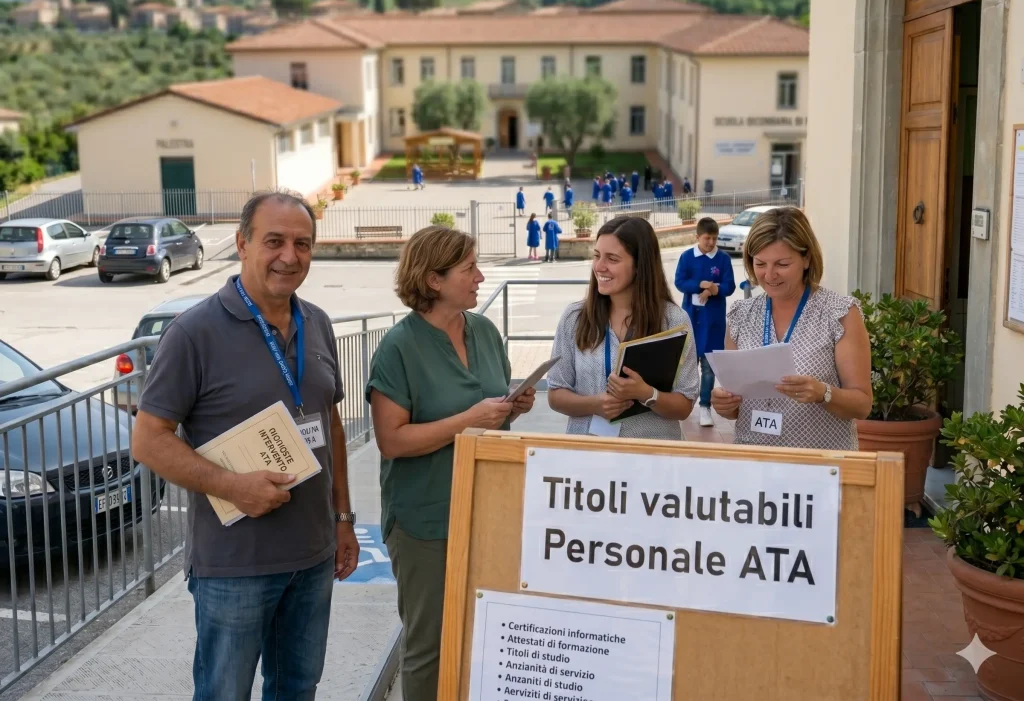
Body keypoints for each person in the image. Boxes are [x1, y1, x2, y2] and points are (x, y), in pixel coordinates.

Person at [132, 191, 360, 701]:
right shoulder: (193, 333)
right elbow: (148, 441)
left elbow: (331, 425)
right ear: (241, 243)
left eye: (303, 244)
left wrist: (343, 520)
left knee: (298, 688)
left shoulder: (317, 322)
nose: (290, 256)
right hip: (235, 566)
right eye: (274, 241)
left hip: (314, 555)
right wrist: (233, 486)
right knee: (223, 693)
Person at [366, 226, 534, 701]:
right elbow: (391, 440)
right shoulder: (398, 347)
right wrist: (470, 419)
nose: (481, 276)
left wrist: (509, 407)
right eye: (469, 268)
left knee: (483, 637)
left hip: (486, 511)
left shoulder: (483, 330)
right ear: (434, 280)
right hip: (425, 520)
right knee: (429, 645)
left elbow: (488, 410)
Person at [711, 207, 872, 449]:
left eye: (782, 264)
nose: (770, 275)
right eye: (760, 264)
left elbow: (862, 404)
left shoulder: (838, 313)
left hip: (819, 463)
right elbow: (736, 408)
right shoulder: (740, 315)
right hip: (754, 461)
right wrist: (725, 405)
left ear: (806, 258)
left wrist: (823, 393)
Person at [547, 216, 699, 440]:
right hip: (589, 457)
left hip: (652, 458)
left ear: (639, 265)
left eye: (612, 259)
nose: (599, 267)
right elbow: (555, 394)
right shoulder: (575, 318)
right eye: (597, 256)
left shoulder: (674, 320)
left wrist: (647, 394)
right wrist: (594, 404)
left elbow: (684, 405)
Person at [675, 217, 736, 427]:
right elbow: (679, 282)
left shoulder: (723, 259)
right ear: (697, 237)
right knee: (686, 365)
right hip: (691, 319)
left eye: (714, 238)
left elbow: (730, 286)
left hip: (713, 322)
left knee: (709, 367)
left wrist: (714, 289)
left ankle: (705, 407)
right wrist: (699, 284)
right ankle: (680, 403)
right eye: (707, 238)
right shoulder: (687, 257)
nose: (711, 243)